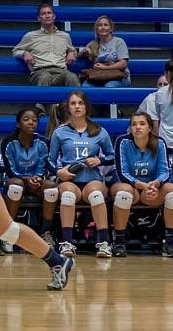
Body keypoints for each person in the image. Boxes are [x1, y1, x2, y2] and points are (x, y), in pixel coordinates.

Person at [48, 90, 115, 258]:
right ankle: (67, 243)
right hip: (70, 180)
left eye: (80, 103)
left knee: (97, 195)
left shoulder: (99, 131)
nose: (77, 106)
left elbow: (112, 156)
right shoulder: (60, 132)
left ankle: (104, 242)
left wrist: (100, 161)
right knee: (68, 196)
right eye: (73, 103)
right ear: (68, 108)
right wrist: (58, 171)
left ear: (86, 106)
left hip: (92, 179)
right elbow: (49, 160)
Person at [110, 112, 173, 258]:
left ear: (149, 127)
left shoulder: (159, 143)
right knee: (124, 192)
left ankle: (169, 242)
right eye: (134, 124)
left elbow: (165, 171)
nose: (137, 127)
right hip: (129, 185)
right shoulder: (122, 142)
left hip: (151, 188)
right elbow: (122, 171)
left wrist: (155, 183)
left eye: (142, 124)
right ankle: (119, 242)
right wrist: (141, 185)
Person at [0, 108, 57, 248]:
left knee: (51, 188)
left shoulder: (43, 142)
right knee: (15, 185)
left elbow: (43, 166)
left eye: (34, 120)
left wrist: (37, 179)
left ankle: (45, 232)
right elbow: (10, 171)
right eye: (26, 119)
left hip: (35, 182)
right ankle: (8, 233)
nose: (31, 122)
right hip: (16, 180)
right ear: (18, 124)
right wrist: (27, 179)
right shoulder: (8, 142)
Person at [12, 3, 79, 87]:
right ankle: (42, 100)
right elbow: (15, 51)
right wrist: (24, 53)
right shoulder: (30, 36)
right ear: (39, 18)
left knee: (72, 76)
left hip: (60, 71)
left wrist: (72, 52)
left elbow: (72, 49)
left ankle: (77, 100)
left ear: (54, 16)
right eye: (43, 14)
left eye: (49, 13)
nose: (47, 16)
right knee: (45, 77)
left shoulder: (65, 36)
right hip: (40, 72)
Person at [77, 16, 131, 88]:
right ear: (96, 29)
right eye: (100, 25)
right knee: (86, 86)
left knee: (109, 86)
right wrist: (84, 52)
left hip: (118, 77)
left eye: (106, 25)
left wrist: (104, 67)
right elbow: (78, 56)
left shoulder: (119, 42)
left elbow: (123, 64)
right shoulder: (93, 44)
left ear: (111, 28)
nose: (102, 27)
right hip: (99, 77)